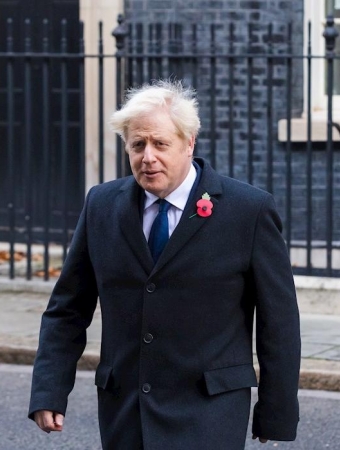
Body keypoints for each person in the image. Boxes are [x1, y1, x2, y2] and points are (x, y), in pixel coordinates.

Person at [28, 80, 301, 449]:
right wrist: (49, 390)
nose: (147, 157)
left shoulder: (247, 210)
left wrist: (276, 411)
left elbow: (279, 321)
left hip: (209, 411)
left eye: (160, 143)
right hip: (126, 410)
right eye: (137, 145)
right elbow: (67, 308)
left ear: (189, 143)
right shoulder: (102, 205)